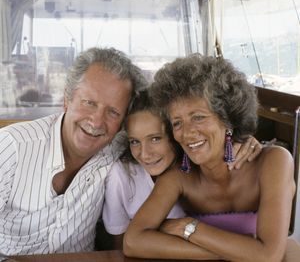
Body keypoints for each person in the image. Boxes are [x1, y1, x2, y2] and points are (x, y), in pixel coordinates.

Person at [123, 54, 296, 261]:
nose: (187, 133)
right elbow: (133, 242)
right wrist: (239, 252)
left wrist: (189, 228)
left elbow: (268, 256)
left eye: (198, 117)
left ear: (228, 119)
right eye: (177, 123)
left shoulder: (274, 161)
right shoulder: (179, 176)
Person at [0, 47, 147, 256]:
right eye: (89, 103)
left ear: (123, 122)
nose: (96, 121)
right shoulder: (12, 147)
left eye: (113, 112)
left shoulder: (120, 146)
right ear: (67, 99)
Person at [102, 89, 263, 250]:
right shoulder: (121, 175)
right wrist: (231, 251)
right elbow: (121, 247)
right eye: (134, 141)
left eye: (155, 139)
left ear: (175, 135)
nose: (144, 154)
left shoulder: (197, 164)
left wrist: (243, 139)